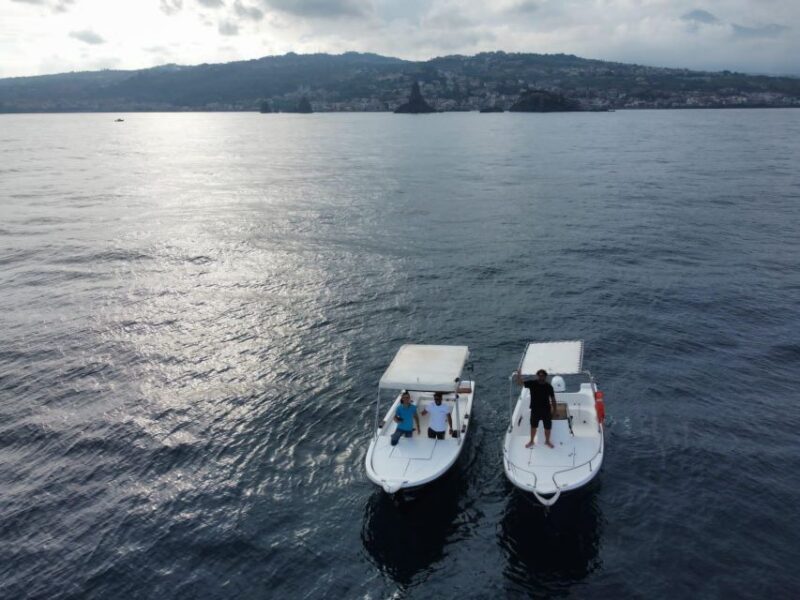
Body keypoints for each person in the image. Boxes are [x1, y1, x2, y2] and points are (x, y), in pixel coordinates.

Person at [516, 368, 557, 448]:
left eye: (543, 375)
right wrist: (519, 375)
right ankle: (531, 441)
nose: (541, 377)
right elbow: (519, 383)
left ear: (545, 376)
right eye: (540, 375)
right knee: (533, 426)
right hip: (535, 410)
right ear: (537, 376)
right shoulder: (532, 383)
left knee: (547, 427)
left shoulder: (549, 386)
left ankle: (547, 441)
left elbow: (553, 399)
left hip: (546, 410)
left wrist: (554, 411)